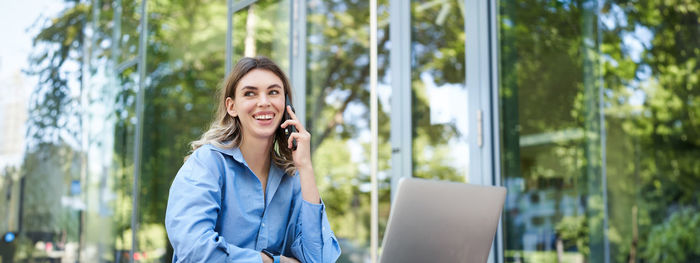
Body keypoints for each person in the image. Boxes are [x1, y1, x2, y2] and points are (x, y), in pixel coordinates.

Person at [165, 56, 341, 263]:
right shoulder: (207, 163)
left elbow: (319, 259)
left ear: (286, 105)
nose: (264, 102)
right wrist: (273, 261)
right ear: (232, 107)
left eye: (273, 92)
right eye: (250, 93)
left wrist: (305, 167)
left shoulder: (291, 178)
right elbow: (194, 250)